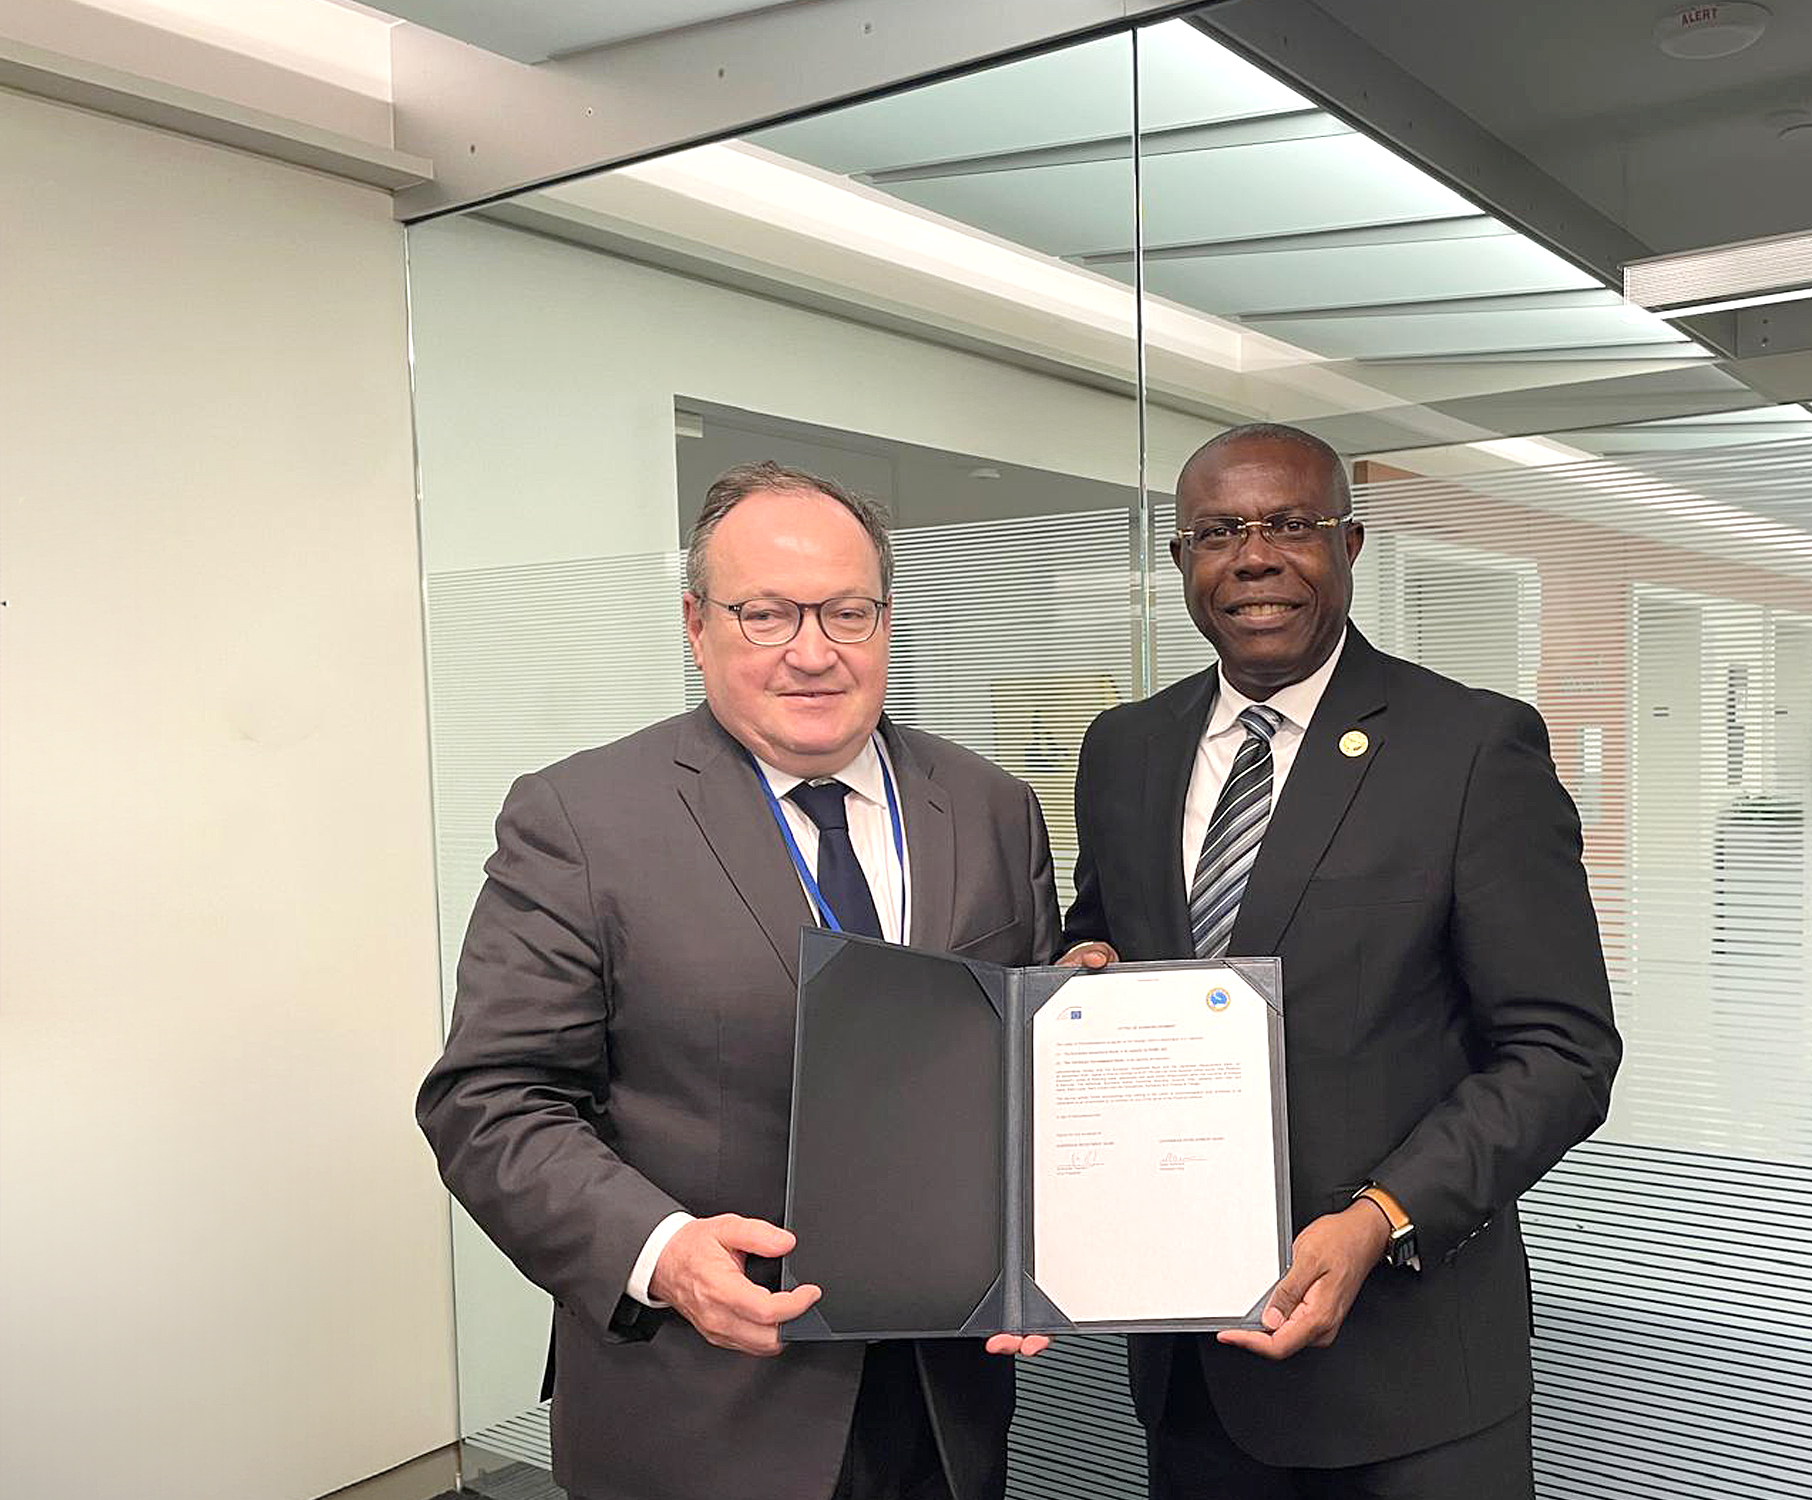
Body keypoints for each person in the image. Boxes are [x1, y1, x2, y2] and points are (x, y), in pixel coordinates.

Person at [418, 461, 1057, 1500]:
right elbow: (488, 1102)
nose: (812, 652)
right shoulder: (583, 820)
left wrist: (1049, 1244)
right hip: (701, 1406)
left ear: (888, 618)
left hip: (946, 1405)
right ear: (695, 623)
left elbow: (1024, 1073)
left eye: (847, 612)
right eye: (765, 615)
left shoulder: (992, 807)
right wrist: (661, 1253)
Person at [1062, 424, 1621, 1498]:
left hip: (1410, 1388)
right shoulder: (1125, 748)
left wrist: (1380, 1217)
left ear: (1351, 545)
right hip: (1193, 1374)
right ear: (1181, 559)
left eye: (1291, 526)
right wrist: (1084, 976)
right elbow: (1106, 942)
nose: (1256, 556)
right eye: (1220, 530)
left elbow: (1563, 1051)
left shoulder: (1470, 747)